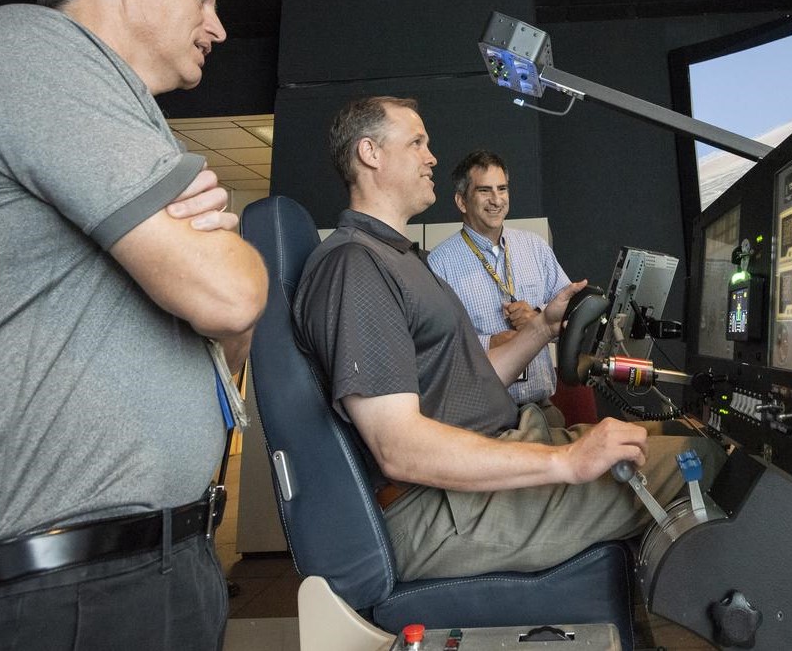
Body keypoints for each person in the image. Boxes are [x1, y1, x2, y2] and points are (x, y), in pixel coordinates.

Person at [0, 0, 267, 650]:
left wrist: (220, 270)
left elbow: (230, 333)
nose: (216, 25)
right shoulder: (29, 46)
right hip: (50, 590)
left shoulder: (125, 114)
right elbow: (231, 290)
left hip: (142, 568)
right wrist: (221, 261)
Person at [292, 95, 726, 581]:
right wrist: (565, 460)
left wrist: (543, 326)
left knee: (681, 437)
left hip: (491, 455)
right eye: (417, 142)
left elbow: (474, 381)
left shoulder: (399, 258)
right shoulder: (356, 265)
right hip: (435, 509)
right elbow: (397, 446)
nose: (431, 156)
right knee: (705, 457)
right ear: (370, 153)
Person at [428, 150, 570, 425]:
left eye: (502, 189)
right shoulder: (439, 263)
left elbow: (568, 318)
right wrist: (489, 343)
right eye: (484, 190)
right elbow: (437, 346)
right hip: (486, 419)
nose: (496, 200)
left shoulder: (535, 247)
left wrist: (539, 319)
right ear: (461, 201)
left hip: (543, 410)